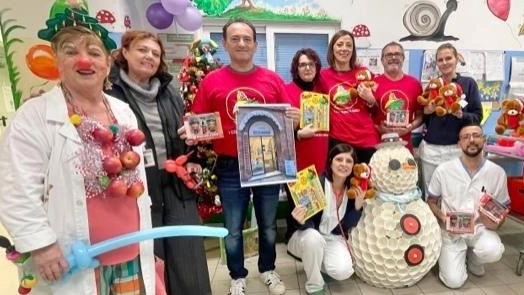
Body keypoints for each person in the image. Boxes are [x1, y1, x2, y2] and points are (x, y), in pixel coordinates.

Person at [0, 25, 155, 293]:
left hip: (130, 250)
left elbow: (134, 178)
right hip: (72, 258)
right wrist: (42, 245)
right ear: (57, 60)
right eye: (71, 51)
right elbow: (15, 188)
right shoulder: (34, 116)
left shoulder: (123, 111)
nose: (84, 60)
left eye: (94, 52)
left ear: (107, 63)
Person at [189, 18, 299, 295]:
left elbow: (288, 122)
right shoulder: (212, 81)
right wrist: (192, 129)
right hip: (228, 164)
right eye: (235, 38)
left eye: (247, 38)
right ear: (225, 43)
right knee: (233, 228)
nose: (241, 43)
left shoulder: (272, 79)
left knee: (269, 224)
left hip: (267, 162)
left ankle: (268, 270)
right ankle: (237, 275)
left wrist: (295, 120)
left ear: (255, 44)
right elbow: (198, 119)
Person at [106, 30, 211, 295]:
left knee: (188, 257)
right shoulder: (110, 93)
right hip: (137, 191)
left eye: (155, 53)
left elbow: (184, 132)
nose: (149, 56)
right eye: (142, 50)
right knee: (151, 260)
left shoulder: (169, 91)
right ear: (125, 53)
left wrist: (191, 148)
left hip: (177, 187)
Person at [426, 123, 509, 289]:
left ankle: (474, 258)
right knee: (454, 281)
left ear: (484, 140)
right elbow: (431, 201)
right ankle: (458, 256)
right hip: (452, 231)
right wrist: (442, 217)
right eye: (466, 137)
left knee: (493, 250)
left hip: (480, 228)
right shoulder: (444, 170)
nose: (471, 140)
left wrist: (495, 223)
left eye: (476, 135)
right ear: (459, 144)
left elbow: (503, 210)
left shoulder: (497, 172)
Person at [287, 143, 364, 295]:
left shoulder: (352, 191)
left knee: (344, 271)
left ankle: (315, 265)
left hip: (331, 238)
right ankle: (314, 285)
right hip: (305, 236)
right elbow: (304, 223)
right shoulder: (316, 184)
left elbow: (347, 225)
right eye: (339, 159)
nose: (344, 164)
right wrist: (300, 221)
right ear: (330, 161)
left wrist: (357, 207)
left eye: (349, 161)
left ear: (354, 166)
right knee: (313, 238)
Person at [419, 43, 483, 194]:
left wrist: (463, 115)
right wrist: (427, 110)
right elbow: (424, 117)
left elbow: (478, 116)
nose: (445, 62)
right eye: (440, 60)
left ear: (456, 59)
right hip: (431, 149)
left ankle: (451, 218)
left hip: (457, 150)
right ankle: (434, 218)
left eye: (448, 58)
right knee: (431, 193)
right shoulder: (433, 85)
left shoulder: (468, 84)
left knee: (457, 193)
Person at [284, 48, 329, 242]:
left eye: (311, 64)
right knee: (304, 215)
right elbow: (277, 129)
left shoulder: (323, 92)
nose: (307, 68)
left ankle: (313, 250)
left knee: (319, 212)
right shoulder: (286, 91)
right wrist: (297, 133)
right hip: (298, 164)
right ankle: (297, 245)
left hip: (321, 161)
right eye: (303, 64)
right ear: (296, 68)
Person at [317, 30, 380, 164]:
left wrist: (371, 99)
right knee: (340, 182)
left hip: (366, 139)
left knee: (365, 181)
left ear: (353, 50)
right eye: (340, 44)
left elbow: (376, 110)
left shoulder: (364, 73)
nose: (344, 48)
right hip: (338, 139)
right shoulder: (322, 76)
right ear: (332, 49)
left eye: (348, 45)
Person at [372, 41, 423, 152]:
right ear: (382, 60)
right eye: (389, 55)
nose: (393, 57)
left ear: (403, 58)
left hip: (404, 147)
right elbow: (365, 116)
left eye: (397, 54)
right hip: (377, 146)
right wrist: (379, 129)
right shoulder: (372, 83)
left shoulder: (415, 84)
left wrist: (409, 127)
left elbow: (420, 115)